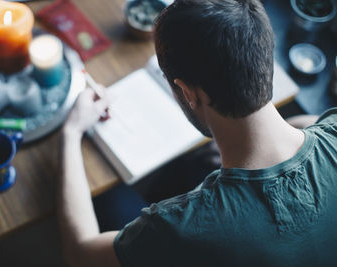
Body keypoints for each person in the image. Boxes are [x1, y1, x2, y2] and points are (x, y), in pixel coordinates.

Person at [58, 0, 337, 266]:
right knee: (193, 167)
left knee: (113, 199)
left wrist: (70, 133)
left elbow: (81, 253)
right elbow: (309, 122)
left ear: (188, 93)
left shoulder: (184, 227)